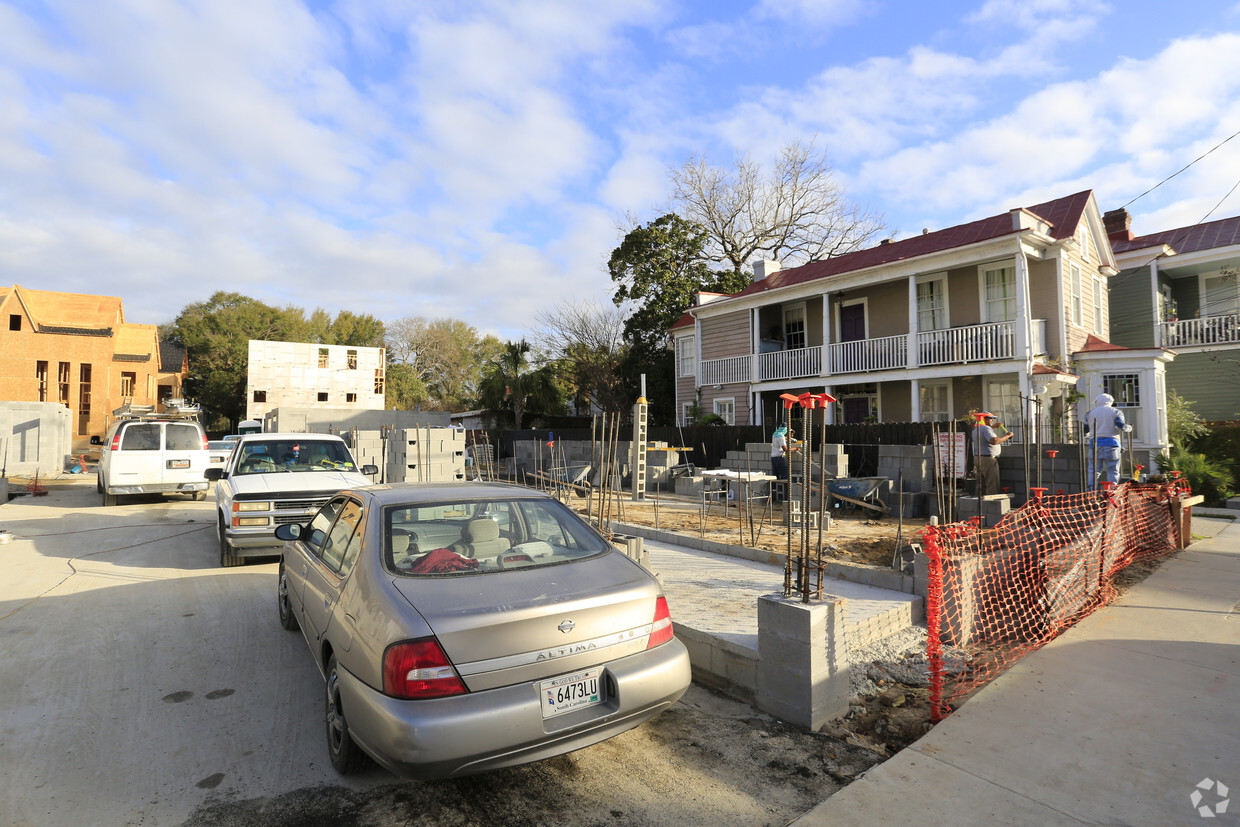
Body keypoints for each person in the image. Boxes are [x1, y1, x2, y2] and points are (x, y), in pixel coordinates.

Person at [1085, 393, 1132, 487]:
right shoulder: (1115, 412)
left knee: (1093, 471)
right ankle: (1111, 492)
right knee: (1113, 470)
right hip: (1112, 444)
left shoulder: (1090, 413)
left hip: (1094, 444)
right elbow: (1121, 425)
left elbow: (1085, 430)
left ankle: (1091, 492)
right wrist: (1128, 428)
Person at [972, 412, 1013, 497]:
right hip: (988, 460)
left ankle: (979, 504)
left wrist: (993, 427)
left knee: (981, 484)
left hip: (978, 458)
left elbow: (984, 434)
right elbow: (994, 441)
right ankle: (991, 505)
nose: (993, 420)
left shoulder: (976, 429)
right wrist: (1007, 436)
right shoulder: (986, 429)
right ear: (984, 419)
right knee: (992, 484)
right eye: (990, 418)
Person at [770, 424, 798, 502]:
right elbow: (785, 449)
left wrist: (791, 439)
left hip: (773, 458)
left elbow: (781, 438)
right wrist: (795, 448)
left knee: (775, 477)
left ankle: (774, 497)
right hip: (779, 458)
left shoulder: (775, 434)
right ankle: (786, 498)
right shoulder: (781, 437)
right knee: (785, 476)